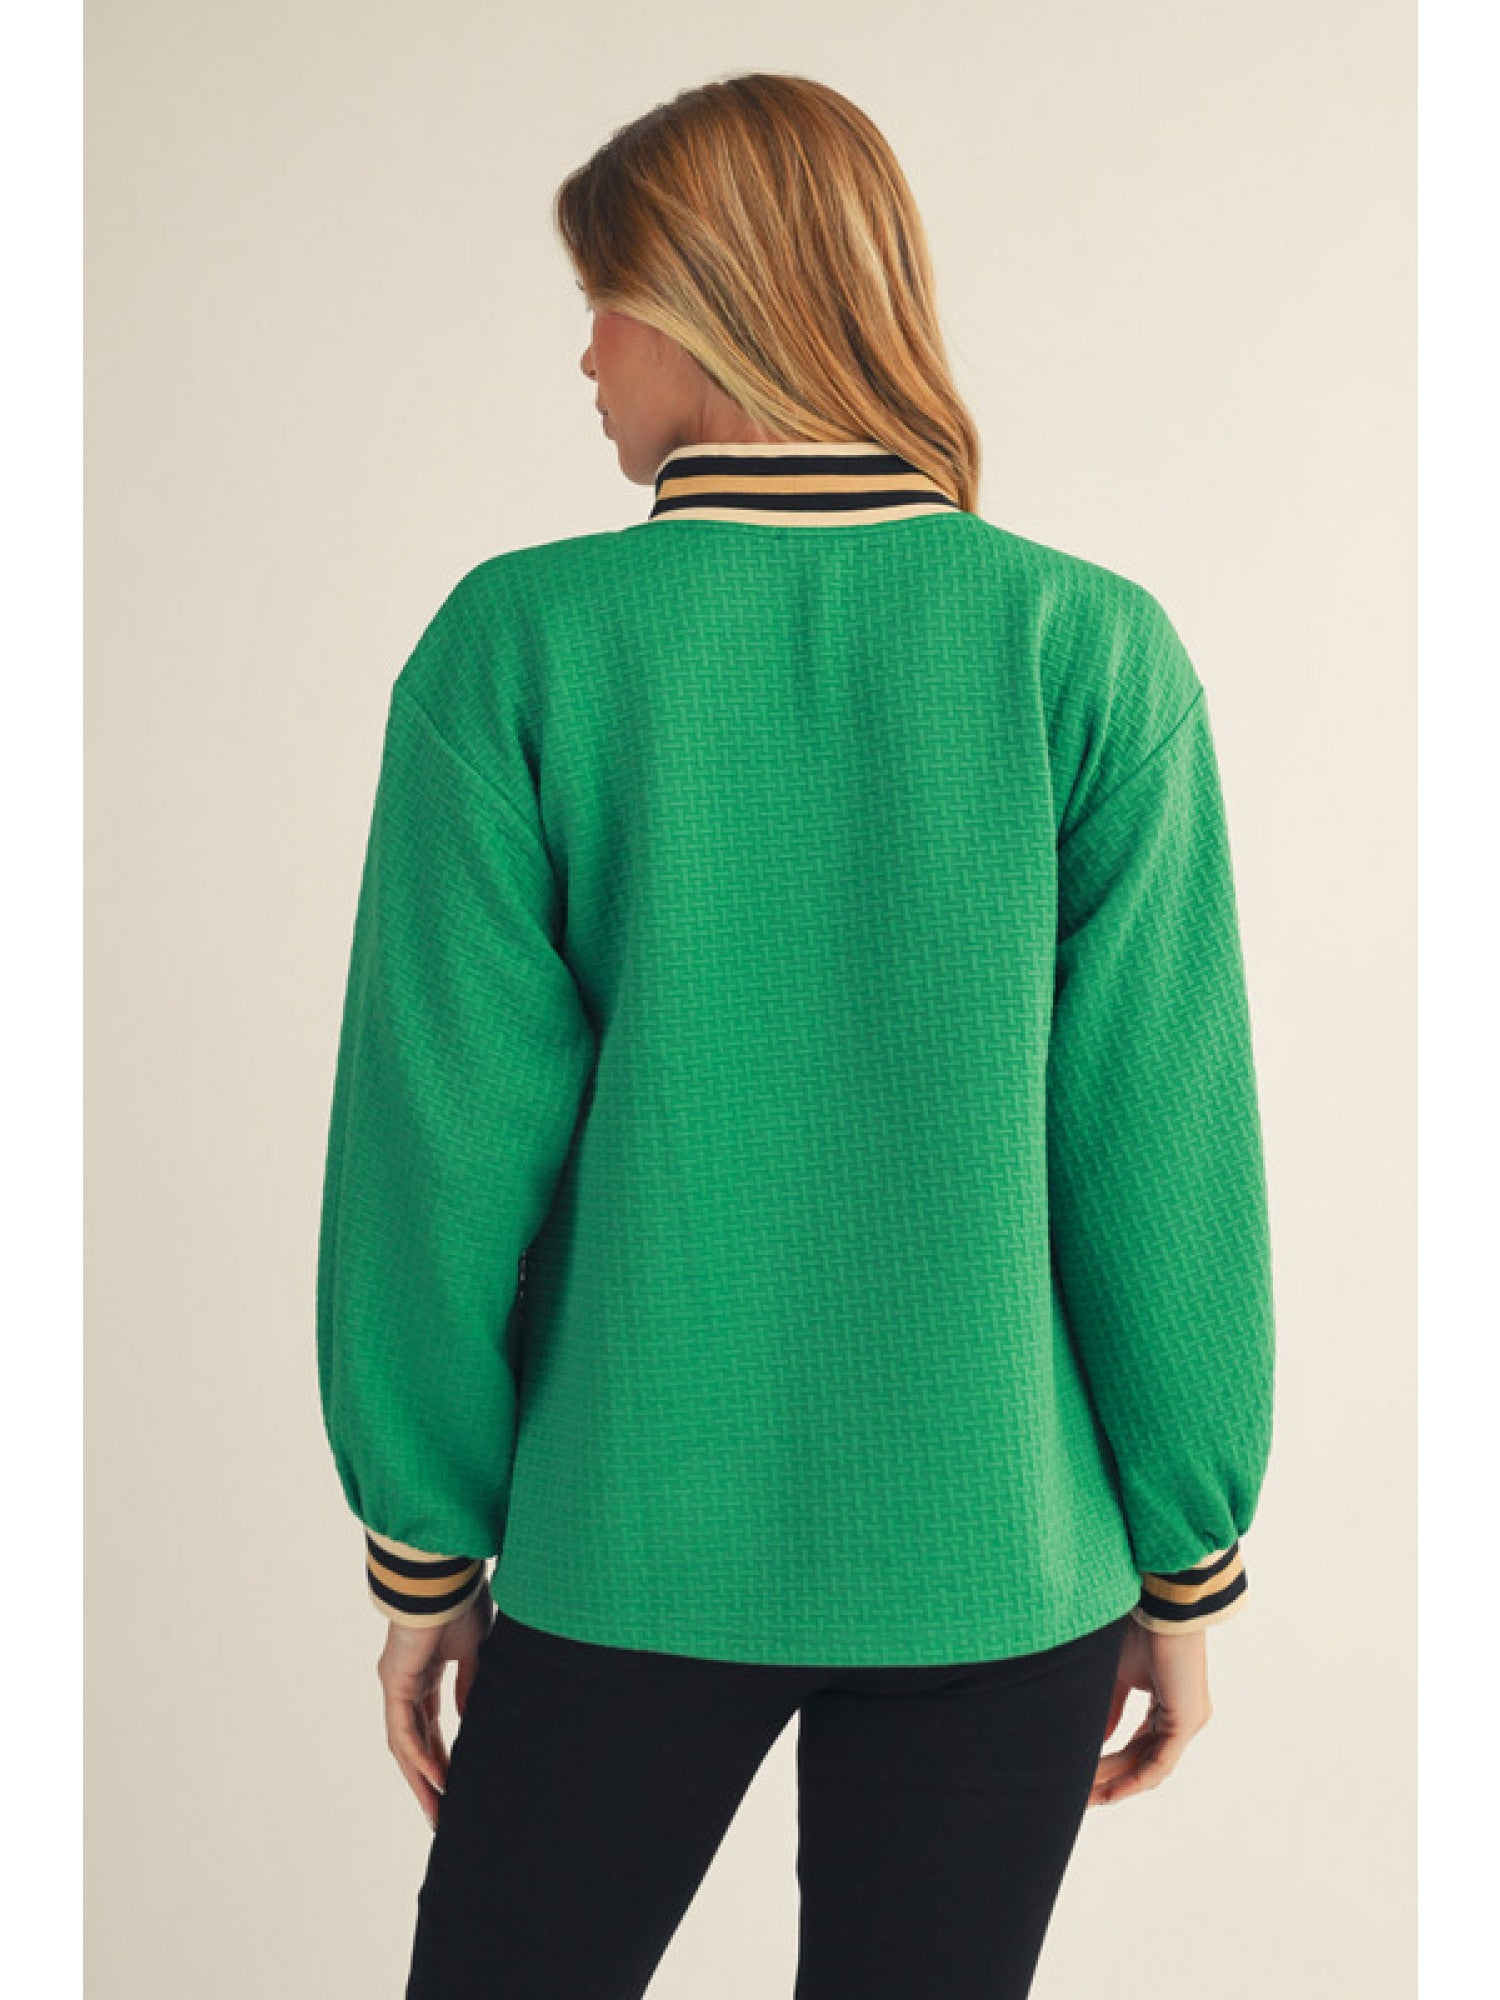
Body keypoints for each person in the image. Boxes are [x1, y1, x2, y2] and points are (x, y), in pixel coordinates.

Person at [315, 70, 1276, 2000]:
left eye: (602, 299)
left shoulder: (520, 646)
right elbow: (1163, 1161)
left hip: (626, 1546)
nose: (585, 354)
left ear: (705, 302)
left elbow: (436, 1157)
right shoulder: (1089, 649)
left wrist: (426, 1552)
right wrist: (1187, 1560)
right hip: (1003, 1564)